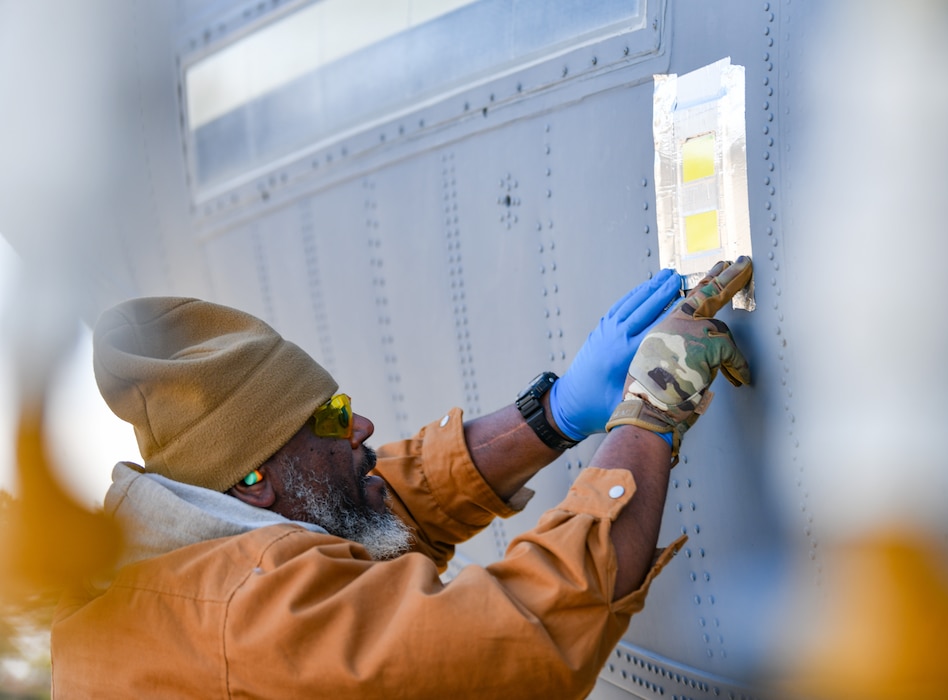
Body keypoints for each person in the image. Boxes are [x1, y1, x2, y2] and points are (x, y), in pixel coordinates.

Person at [50, 258, 753, 698]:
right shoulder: (247, 620)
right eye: (328, 418)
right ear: (255, 479)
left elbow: (375, 509)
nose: (359, 428)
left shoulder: (181, 568)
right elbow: (519, 639)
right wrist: (651, 409)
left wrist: (554, 415)